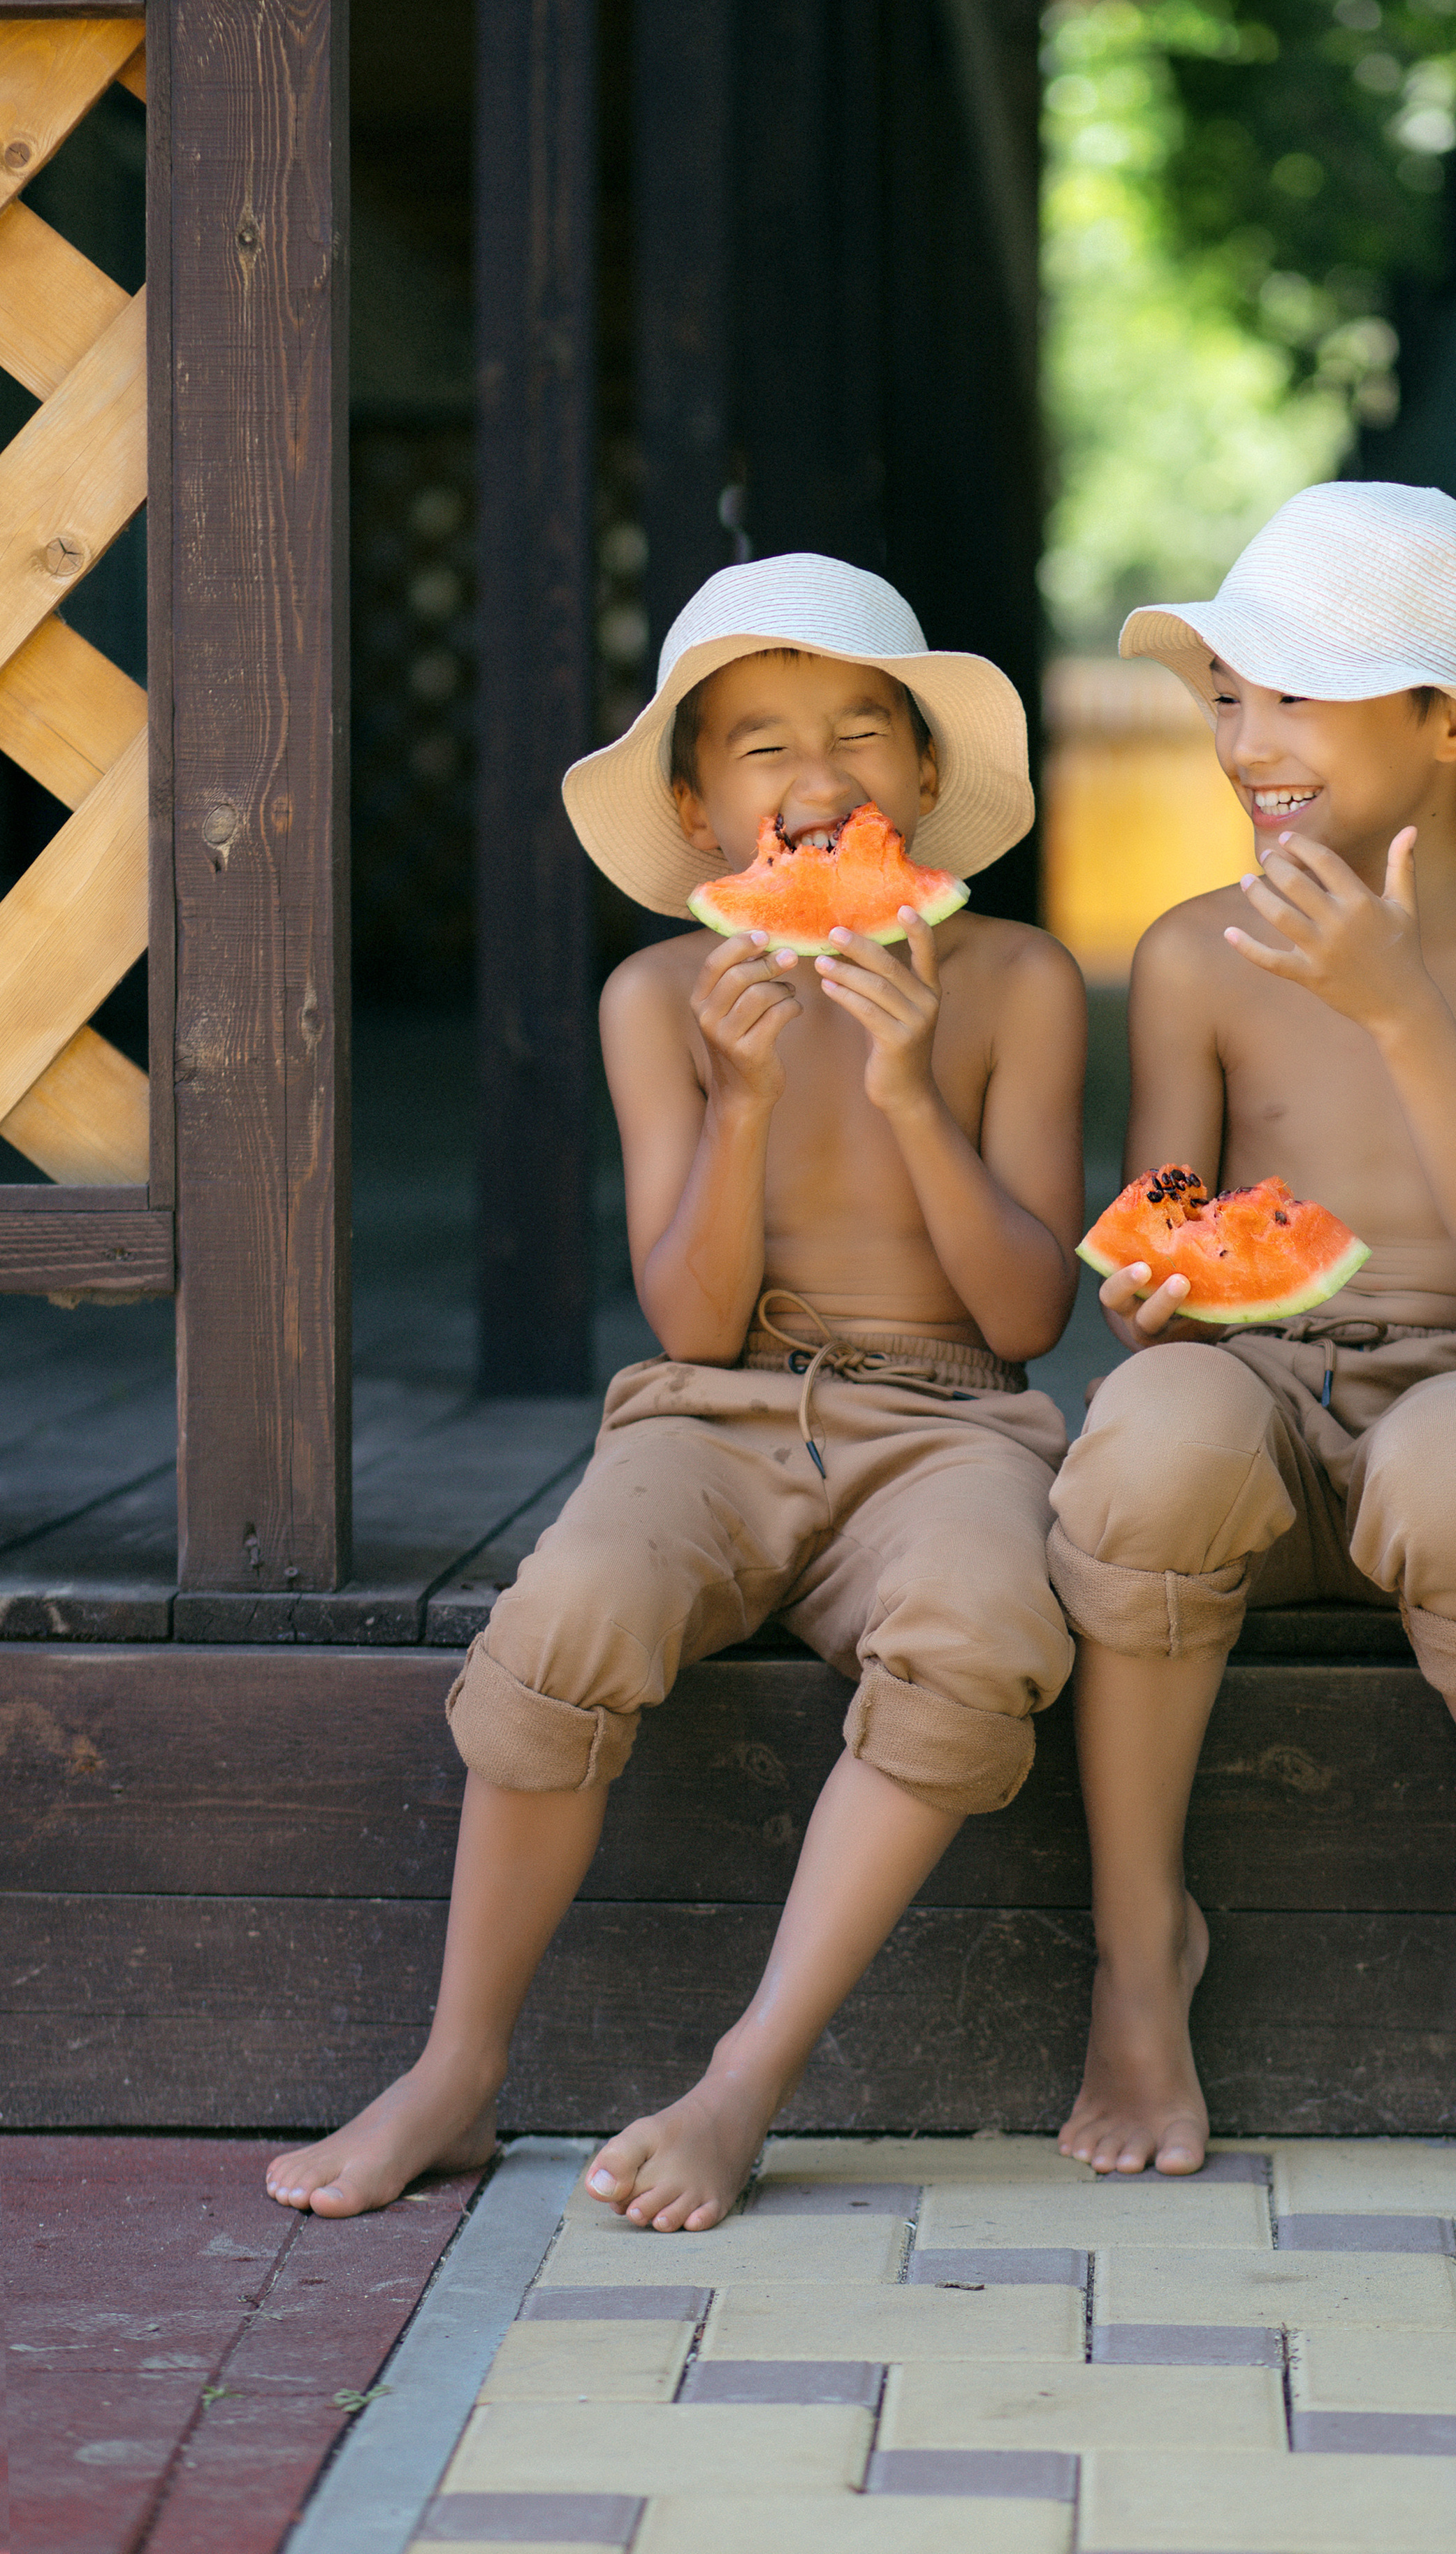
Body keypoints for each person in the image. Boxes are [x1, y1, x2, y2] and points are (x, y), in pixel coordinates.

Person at [266, 553, 1085, 2230]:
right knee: (569, 1607)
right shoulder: (655, 998)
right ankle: (457, 2071)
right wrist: (739, 1102)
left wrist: (907, 1090)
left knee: (984, 1635)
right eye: (763, 746)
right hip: (714, 1412)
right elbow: (694, 1323)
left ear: (927, 774)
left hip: (953, 1422)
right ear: (700, 811)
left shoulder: (1017, 983)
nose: (819, 776)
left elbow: (1024, 1317)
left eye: (862, 732)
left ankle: (742, 2081)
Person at [1048, 482, 1456, 2188]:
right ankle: (1136, 1955)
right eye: (1224, 696)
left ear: (1450, 722)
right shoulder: (1190, 953)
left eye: (1293, 695)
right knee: (1146, 1438)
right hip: (1247, 1400)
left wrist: (1397, 1013)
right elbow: (1170, 1229)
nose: (1242, 740)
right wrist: (1149, 1295)